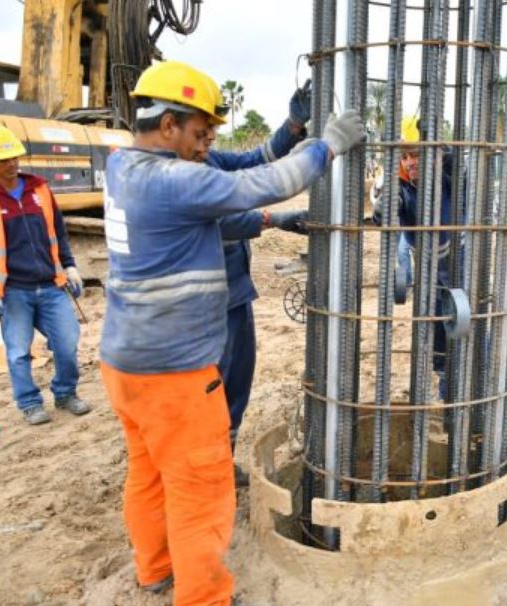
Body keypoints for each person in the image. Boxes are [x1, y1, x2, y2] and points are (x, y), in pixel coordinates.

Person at [99, 60, 363, 606]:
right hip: (174, 373)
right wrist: (327, 146)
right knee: (201, 489)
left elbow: (223, 211)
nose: (206, 145)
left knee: (148, 475)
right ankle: (203, 598)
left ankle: (154, 569)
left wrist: (276, 206)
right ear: (167, 125)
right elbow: (262, 181)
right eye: (200, 134)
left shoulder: (124, 167)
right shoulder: (171, 179)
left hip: (126, 365)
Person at [197, 81, 313, 487]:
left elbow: (256, 159)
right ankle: (206, 470)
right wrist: (271, 218)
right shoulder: (179, 172)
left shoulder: (208, 159)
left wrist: (293, 126)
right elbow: (218, 221)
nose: (210, 135)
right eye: (203, 126)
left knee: (237, 382)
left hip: (235, 293)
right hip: (205, 305)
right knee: (210, 388)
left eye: (213, 127)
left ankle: (221, 461)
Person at [0, 122, 90, 425]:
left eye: (15, 158)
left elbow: (58, 232)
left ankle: (65, 393)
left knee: (67, 343)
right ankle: (30, 403)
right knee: (18, 353)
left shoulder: (40, 189)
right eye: (3, 159)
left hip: (50, 285)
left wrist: (70, 265)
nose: (12, 164)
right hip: (12, 292)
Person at [374, 116, 460, 399]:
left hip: (460, 265)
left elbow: (456, 163)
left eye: (417, 155)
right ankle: (447, 390)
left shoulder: (448, 180)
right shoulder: (402, 189)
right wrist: (384, 208)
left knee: (466, 325)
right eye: (405, 157)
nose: (410, 162)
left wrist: (437, 144)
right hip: (429, 270)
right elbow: (387, 216)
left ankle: (471, 390)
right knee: (437, 325)